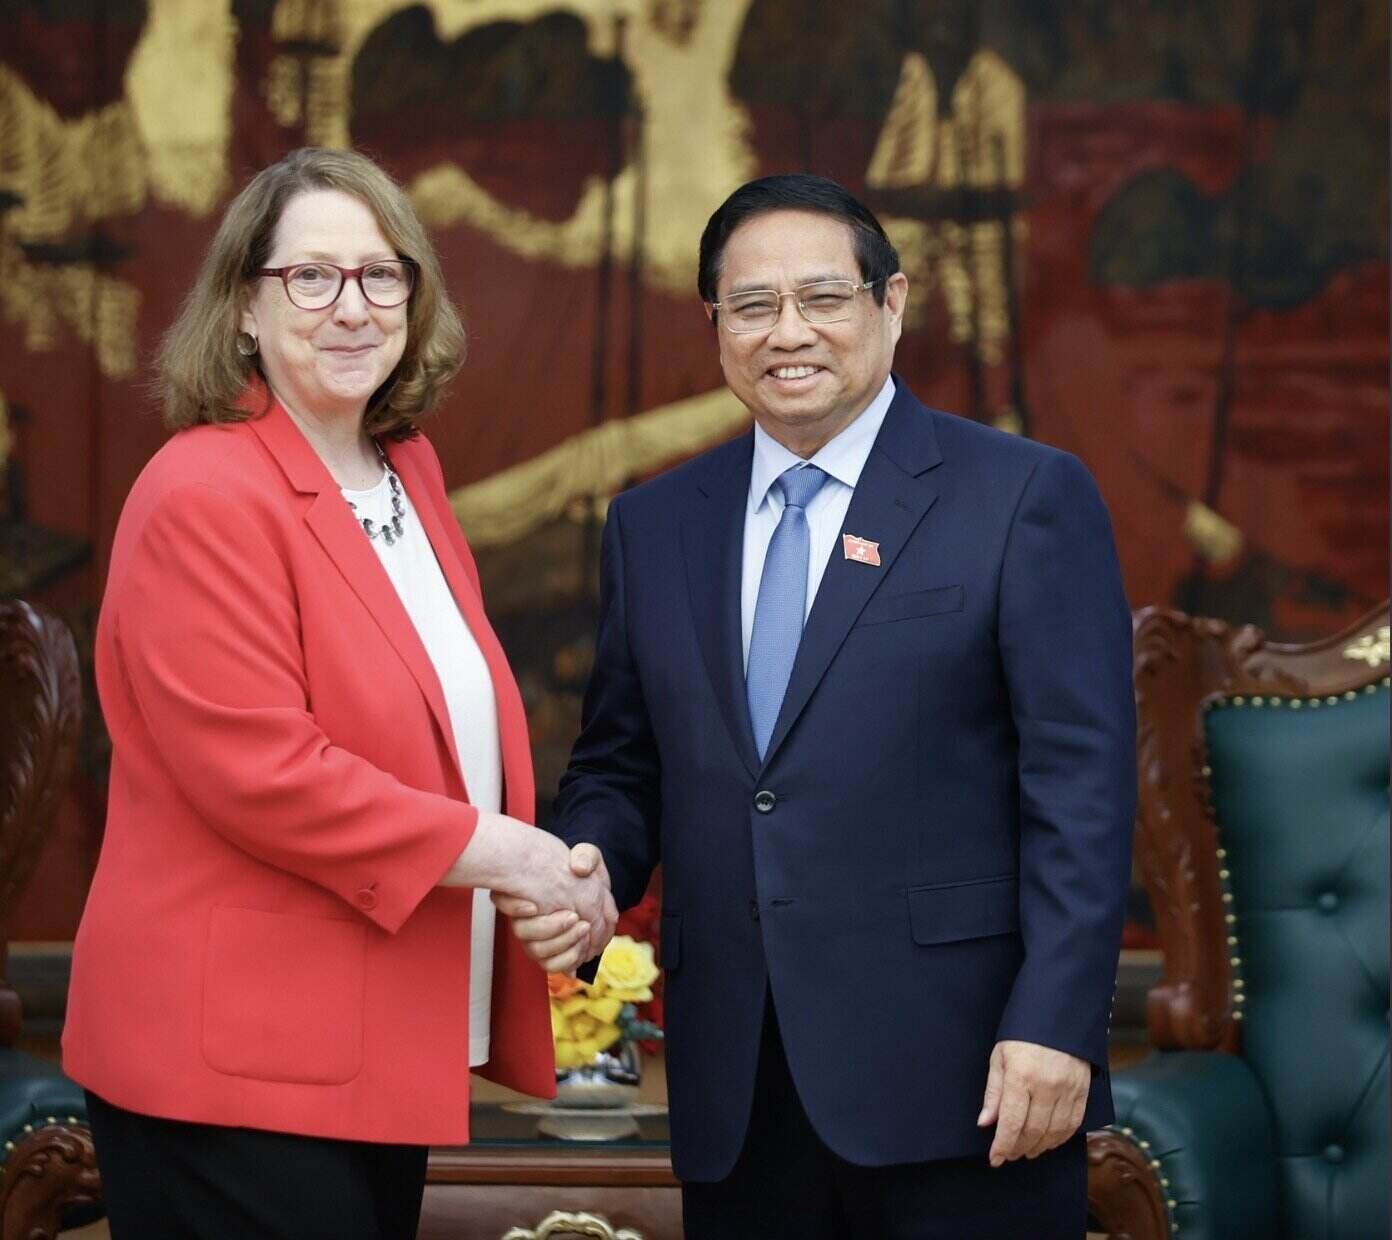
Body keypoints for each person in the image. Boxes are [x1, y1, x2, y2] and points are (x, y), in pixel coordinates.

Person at [500, 174, 1135, 1237]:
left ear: (889, 305)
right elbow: (620, 766)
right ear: (714, 327)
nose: (785, 332)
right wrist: (585, 870)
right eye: (750, 306)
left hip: (970, 1085)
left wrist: (1057, 1024)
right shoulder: (655, 525)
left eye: (821, 298)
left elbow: (1080, 785)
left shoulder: (1020, 496)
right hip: (739, 1096)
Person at [62, 148, 615, 1240]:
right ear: (242, 311)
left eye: (380, 274)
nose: (350, 305)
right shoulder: (201, 490)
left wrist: (558, 875)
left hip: (359, 1048)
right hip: (230, 1071)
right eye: (310, 277)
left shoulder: (404, 469)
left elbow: (441, 730)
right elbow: (265, 773)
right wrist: (516, 855)